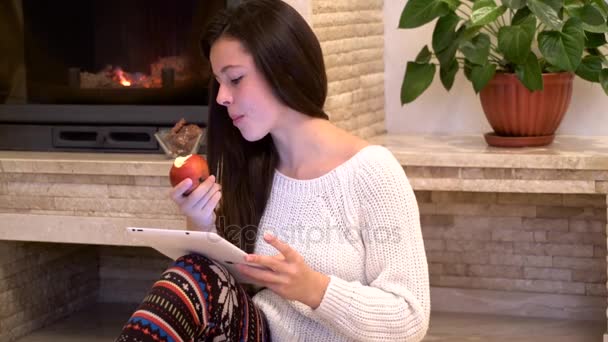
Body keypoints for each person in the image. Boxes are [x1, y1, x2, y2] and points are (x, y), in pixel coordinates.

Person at [116, 0, 430, 341]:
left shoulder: (373, 173)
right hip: (261, 332)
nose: (222, 97)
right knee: (192, 273)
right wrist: (200, 224)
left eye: (235, 78)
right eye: (218, 82)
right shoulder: (249, 165)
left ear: (284, 67)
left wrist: (313, 288)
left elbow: (409, 320)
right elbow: (217, 290)